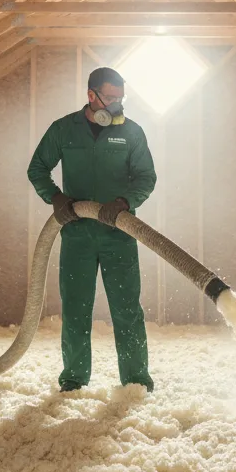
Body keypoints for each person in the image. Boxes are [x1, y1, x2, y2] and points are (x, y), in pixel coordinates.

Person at [27, 66, 157, 392]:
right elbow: (37, 168)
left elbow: (146, 178)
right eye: (110, 97)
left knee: (127, 310)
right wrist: (55, 198)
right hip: (77, 235)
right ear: (92, 96)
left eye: (120, 98)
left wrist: (125, 202)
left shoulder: (132, 132)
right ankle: (73, 380)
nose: (117, 104)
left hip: (119, 235)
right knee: (75, 311)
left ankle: (136, 381)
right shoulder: (64, 129)